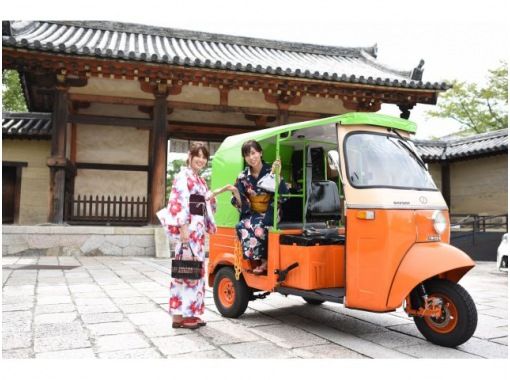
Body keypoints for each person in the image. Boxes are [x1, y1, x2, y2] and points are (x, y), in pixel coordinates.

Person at [162, 142, 216, 329]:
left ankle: (185, 315)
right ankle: (183, 316)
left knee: (191, 269)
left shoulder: (199, 180)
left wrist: (212, 196)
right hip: (188, 229)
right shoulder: (183, 176)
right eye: (197, 155)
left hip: (197, 231)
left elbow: (204, 202)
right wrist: (183, 226)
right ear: (189, 156)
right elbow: (181, 200)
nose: (201, 160)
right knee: (185, 270)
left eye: (204, 157)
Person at [229, 140, 289, 275]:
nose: (251, 157)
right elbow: (238, 200)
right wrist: (236, 193)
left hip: (271, 210)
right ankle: (258, 260)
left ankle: (265, 260)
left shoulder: (271, 171)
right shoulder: (243, 176)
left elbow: (283, 195)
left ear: (260, 153)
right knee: (240, 225)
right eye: (247, 155)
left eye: (253, 153)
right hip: (253, 211)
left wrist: (277, 177)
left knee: (260, 226)